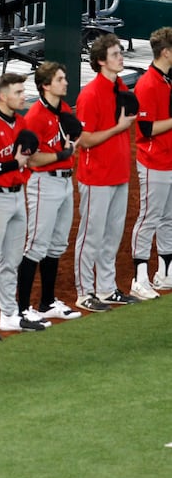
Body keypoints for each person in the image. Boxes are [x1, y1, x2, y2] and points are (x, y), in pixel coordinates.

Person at [0, 73, 48, 339]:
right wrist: (15, 163)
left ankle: (10, 315)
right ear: (3, 96)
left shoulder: (21, 122)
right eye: (18, 92)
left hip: (17, 196)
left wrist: (21, 165)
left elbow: (26, 158)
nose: (23, 96)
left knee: (11, 261)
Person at [74, 33, 140, 311]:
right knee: (91, 236)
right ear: (101, 61)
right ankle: (84, 292)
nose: (121, 57)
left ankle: (106, 288)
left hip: (119, 174)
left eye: (120, 53)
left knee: (112, 236)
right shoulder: (90, 94)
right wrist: (118, 128)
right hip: (96, 176)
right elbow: (84, 140)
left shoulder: (122, 88)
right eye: (115, 54)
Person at [19, 62, 83, 321]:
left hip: (66, 182)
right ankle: (22, 308)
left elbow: (70, 143)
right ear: (45, 85)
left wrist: (70, 149)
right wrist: (63, 153)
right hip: (43, 183)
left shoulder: (65, 109)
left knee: (57, 244)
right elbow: (32, 160)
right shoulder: (34, 116)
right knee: (36, 245)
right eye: (60, 79)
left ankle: (47, 302)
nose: (65, 82)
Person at [131, 27, 172, 296]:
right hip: (153, 160)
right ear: (167, 52)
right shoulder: (147, 84)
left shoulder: (168, 81)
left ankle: (165, 274)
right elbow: (146, 129)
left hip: (169, 160)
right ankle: (139, 279)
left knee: (169, 218)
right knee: (148, 218)